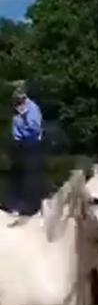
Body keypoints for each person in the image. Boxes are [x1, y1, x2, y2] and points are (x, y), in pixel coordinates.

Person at [8, 83, 44, 215]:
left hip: (30, 145)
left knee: (30, 177)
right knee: (17, 176)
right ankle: (16, 206)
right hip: (18, 145)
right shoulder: (16, 107)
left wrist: (24, 116)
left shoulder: (32, 108)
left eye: (17, 93)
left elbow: (35, 130)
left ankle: (30, 208)